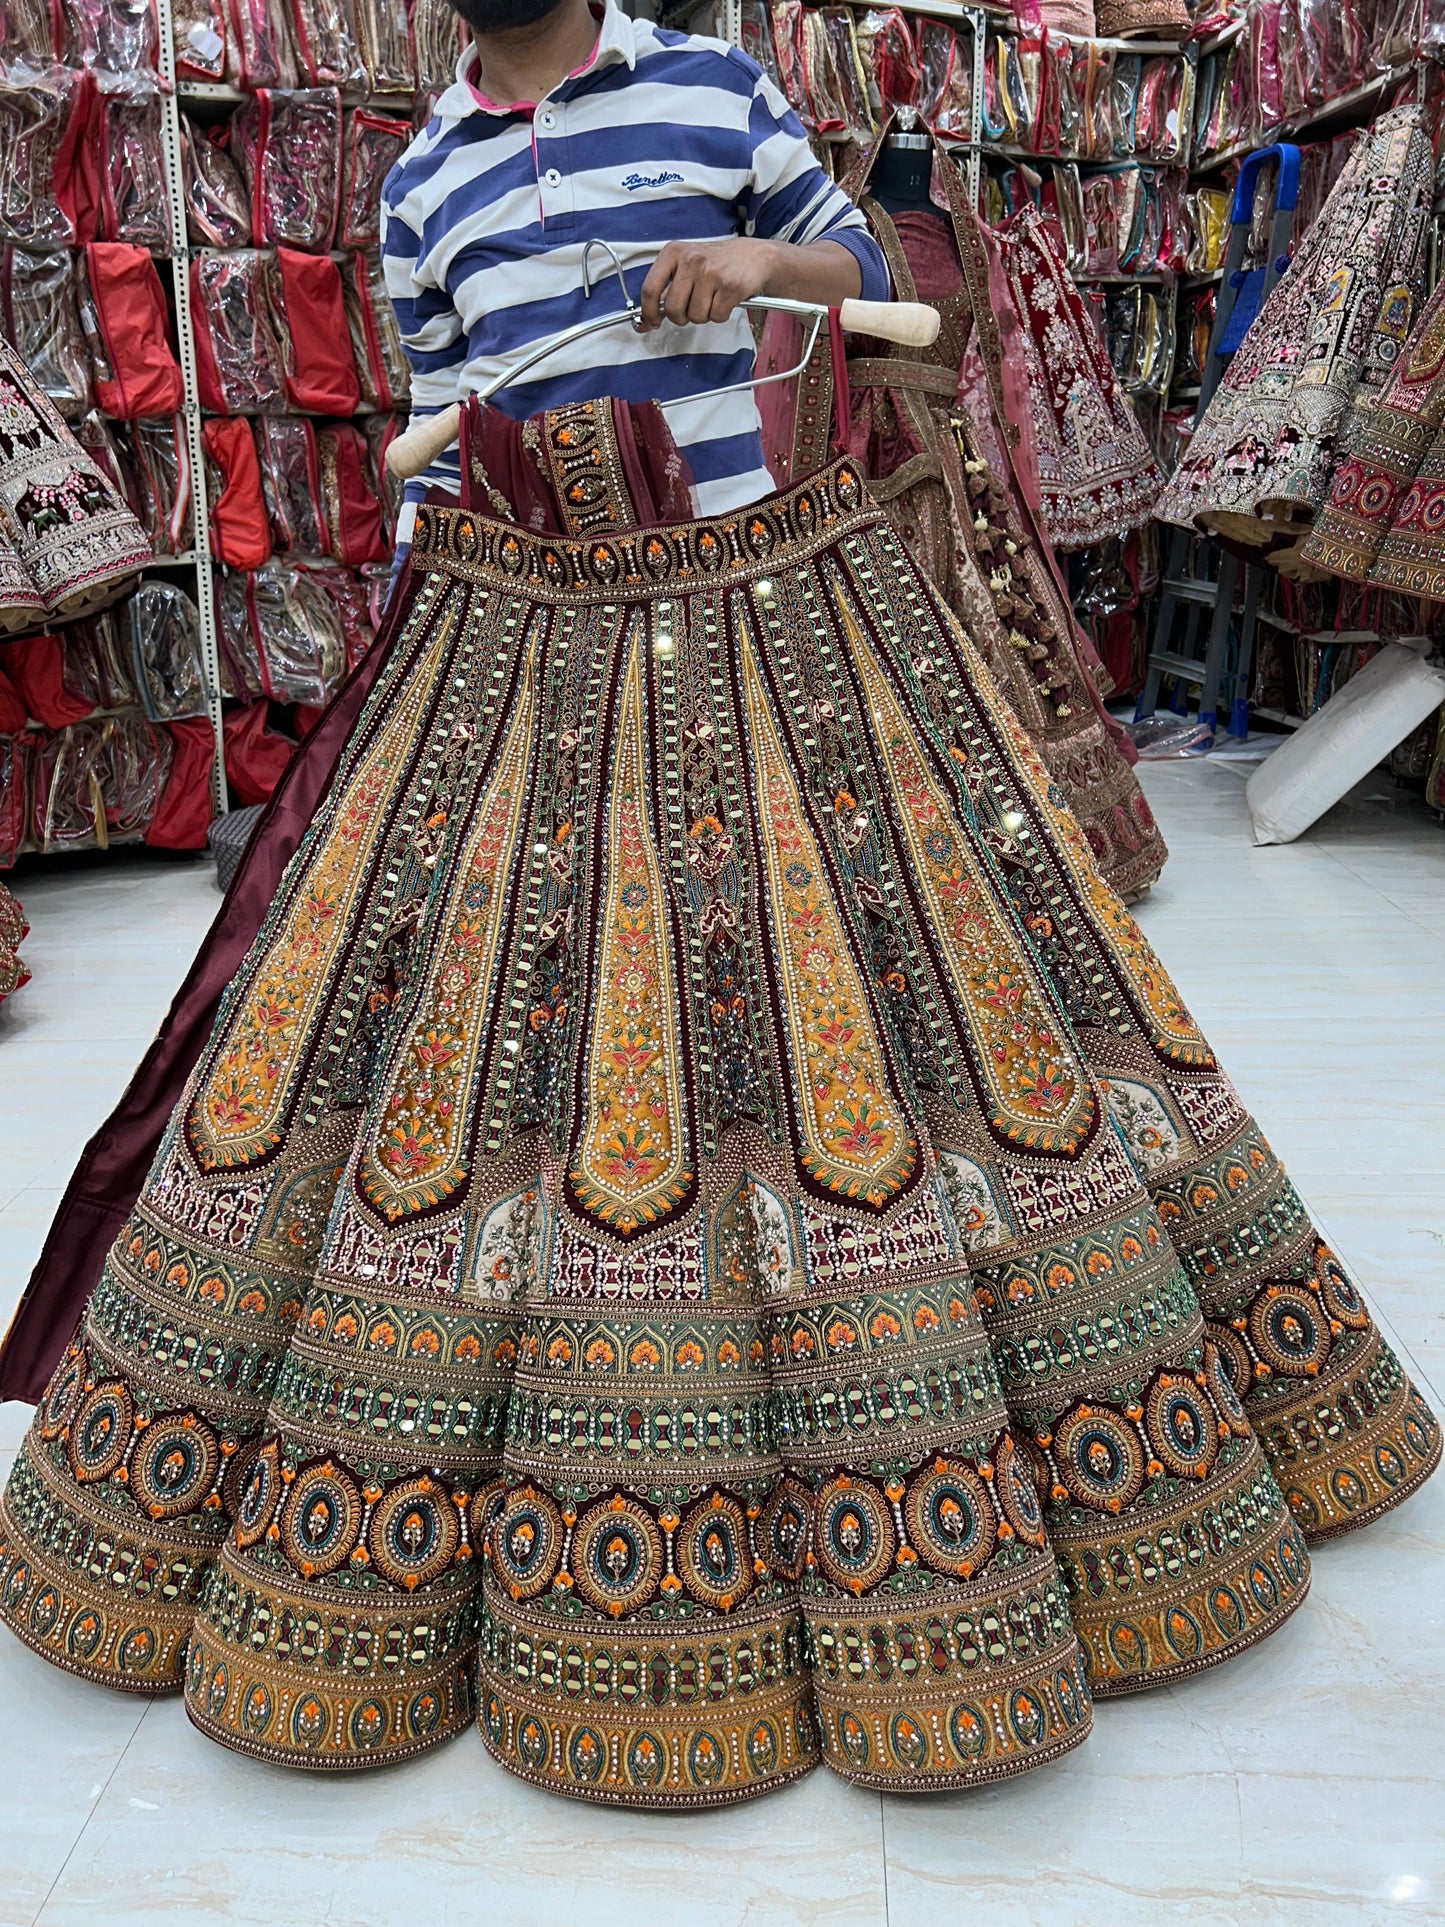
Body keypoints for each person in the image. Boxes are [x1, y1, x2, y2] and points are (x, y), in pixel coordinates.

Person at [0, 0, 1435, 1811]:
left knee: (892, 1025)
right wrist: (415, 546)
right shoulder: (425, 172)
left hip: (779, 610)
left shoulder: (705, 84)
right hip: (518, 634)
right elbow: (434, 414)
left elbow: (875, 280)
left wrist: (756, 263)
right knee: (475, 1049)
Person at [380, 0, 890, 547]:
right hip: (531, 582)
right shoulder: (418, 185)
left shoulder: (716, 84)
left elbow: (866, 273)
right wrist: (410, 584)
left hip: (730, 562)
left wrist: (765, 259)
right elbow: (440, 430)